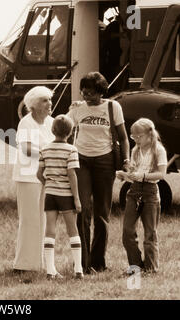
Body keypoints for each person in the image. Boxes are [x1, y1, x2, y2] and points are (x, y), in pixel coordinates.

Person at [67, 71, 130, 274]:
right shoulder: (77, 109)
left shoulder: (113, 107)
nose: (87, 96)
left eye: (91, 93)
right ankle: (83, 263)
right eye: (84, 92)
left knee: (102, 214)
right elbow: (62, 127)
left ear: (101, 91)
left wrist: (126, 160)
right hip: (81, 160)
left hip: (105, 161)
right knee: (82, 210)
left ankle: (98, 262)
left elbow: (123, 137)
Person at [12, 86, 55, 272]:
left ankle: (41, 263)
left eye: (49, 99)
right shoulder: (26, 123)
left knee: (45, 220)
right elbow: (26, 148)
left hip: (47, 176)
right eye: (44, 100)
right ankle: (23, 264)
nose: (49, 104)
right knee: (29, 220)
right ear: (33, 105)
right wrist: (49, 153)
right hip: (27, 177)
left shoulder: (52, 123)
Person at [37, 115, 83, 280]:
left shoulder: (45, 149)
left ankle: (50, 270)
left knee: (50, 230)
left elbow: (39, 174)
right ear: (70, 133)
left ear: (52, 130)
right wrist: (76, 198)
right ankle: (78, 269)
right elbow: (72, 175)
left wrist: (48, 183)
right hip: (66, 195)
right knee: (73, 230)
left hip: (50, 194)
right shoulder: (71, 150)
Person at [119, 118, 167, 274]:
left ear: (150, 134)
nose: (136, 140)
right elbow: (134, 174)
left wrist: (142, 175)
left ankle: (151, 268)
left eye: (139, 136)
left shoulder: (158, 150)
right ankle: (136, 265)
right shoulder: (135, 150)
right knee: (127, 232)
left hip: (150, 191)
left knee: (150, 233)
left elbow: (161, 174)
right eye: (134, 137)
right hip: (134, 191)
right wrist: (125, 175)